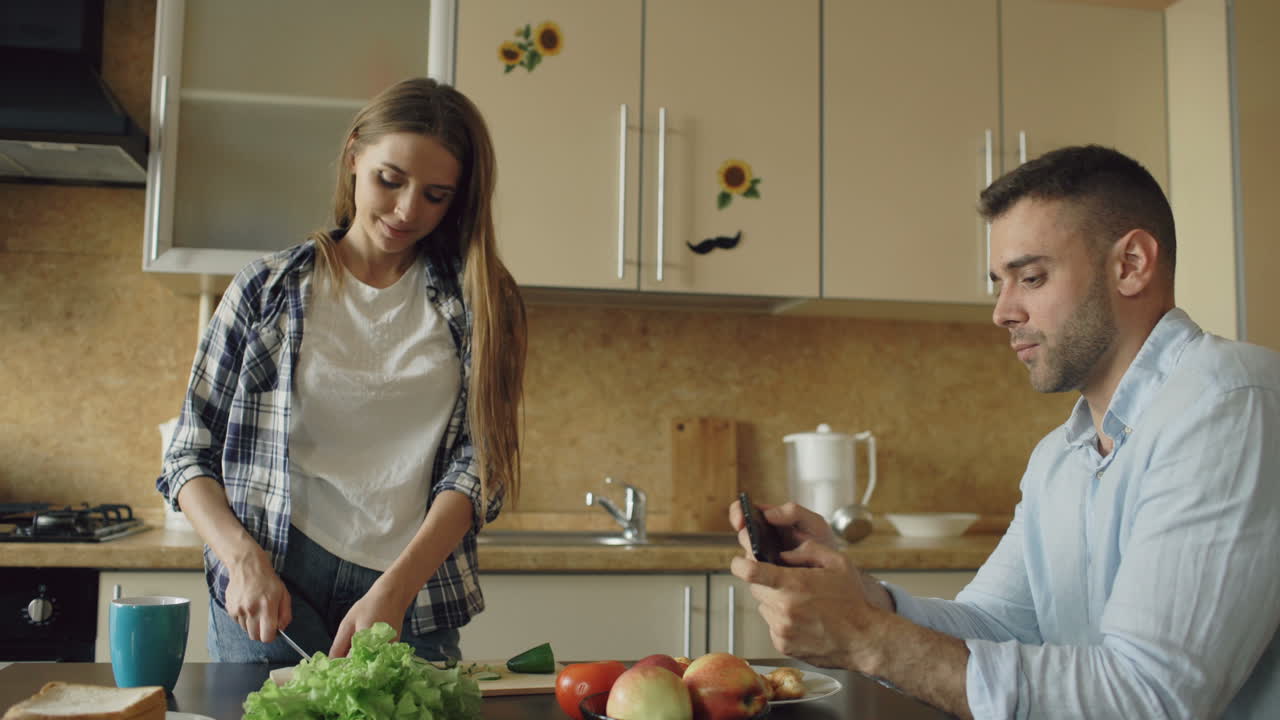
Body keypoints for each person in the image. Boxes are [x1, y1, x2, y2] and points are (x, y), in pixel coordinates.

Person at [730, 145, 1280, 718]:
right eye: (999, 282)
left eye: (1032, 277)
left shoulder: (1230, 405)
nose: (1001, 311)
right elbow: (992, 628)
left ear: (1132, 264)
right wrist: (858, 597)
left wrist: (867, 639)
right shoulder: (1059, 459)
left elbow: (1148, 697)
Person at [157, 77, 527, 664]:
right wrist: (243, 561)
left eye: (435, 195)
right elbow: (187, 453)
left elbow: (481, 467)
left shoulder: (479, 302)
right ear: (354, 155)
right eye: (390, 179)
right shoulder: (267, 289)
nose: (407, 210)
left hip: (410, 591)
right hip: (276, 583)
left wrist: (397, 587)